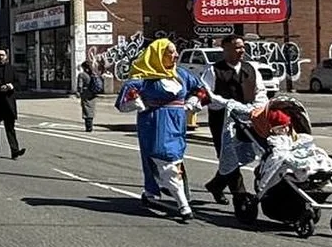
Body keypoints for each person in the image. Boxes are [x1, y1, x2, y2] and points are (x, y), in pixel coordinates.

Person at [115, 38, 207, 222]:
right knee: (164, 157)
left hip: (177, 123)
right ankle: (183, 204)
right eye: (169, 52)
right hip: (154, 123)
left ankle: (151, 191)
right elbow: (124, 99)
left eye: (175, 52)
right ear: (157, 55)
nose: (174, 56)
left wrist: (193, 101)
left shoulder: (181, 75)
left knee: (174, 158)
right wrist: (136, 103)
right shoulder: (144, 78)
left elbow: (201, 90)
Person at [200, 35, 260, 203]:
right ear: (225, 50)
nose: (242, 50)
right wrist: (228, 104)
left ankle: (216, 185)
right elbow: (208, 95)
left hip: (248, 118)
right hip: (222, 120)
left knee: (242, 154)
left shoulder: (251, 69)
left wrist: (257, 108)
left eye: (242, 47)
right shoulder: (213, 71)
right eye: (237, 47)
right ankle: (240, 197)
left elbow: (260, 92)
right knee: (228, 155)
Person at [75, 56, 104, 133]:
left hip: (85, 94)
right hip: (93, 93)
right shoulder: (93, 74)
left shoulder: (82, 75)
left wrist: (78, 92)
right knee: (91, 109)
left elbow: (80, 85)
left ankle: (88, 126)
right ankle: (90, 124)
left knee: (86, 109)